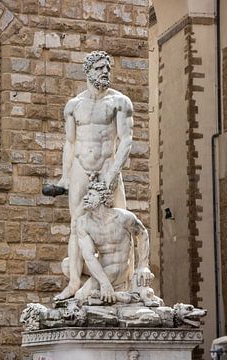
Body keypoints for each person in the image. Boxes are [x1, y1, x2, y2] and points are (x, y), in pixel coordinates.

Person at [54, 51, 134, 301]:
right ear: (88, 71)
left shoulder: (120, 102)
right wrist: (65, 177)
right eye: (99, 68)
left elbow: (126, 140)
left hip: (108, 166)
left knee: (121, 220)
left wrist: (111, 175)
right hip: (80, 168)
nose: (105, 72)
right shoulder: (74, 105)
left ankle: (127, 280)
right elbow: (69, 142)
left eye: (107, 68)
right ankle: (75, 282)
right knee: (76, 223)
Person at [73, 177, 150, 304]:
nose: (85, 198)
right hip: (100, 266)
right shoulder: (83, 223)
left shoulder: (122, 217)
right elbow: (89, 256)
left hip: (117, 268)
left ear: (102, 198)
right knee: (67, 265)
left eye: (91, 195)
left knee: (80, 297)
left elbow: (142, 233)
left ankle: (99, 291)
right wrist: (104, 283)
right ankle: (108, 292)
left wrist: (143, 266)